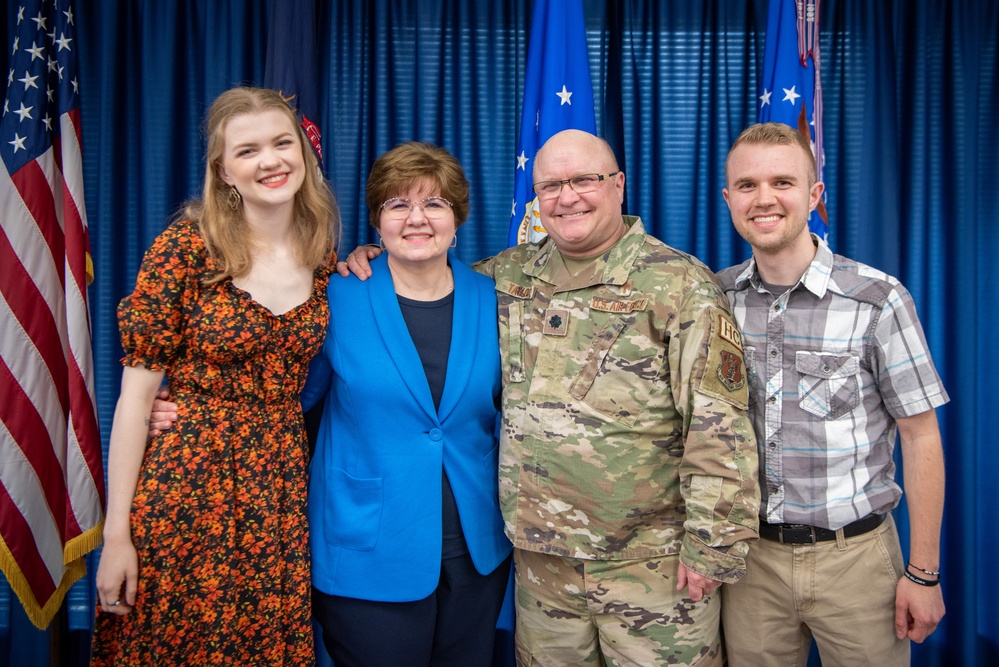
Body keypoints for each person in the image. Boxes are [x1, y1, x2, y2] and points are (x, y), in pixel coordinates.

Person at [344, 129, 760, 666]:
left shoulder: (679, 286)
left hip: (649, 564)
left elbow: (718, 424)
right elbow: (423, 277)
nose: (568, 197)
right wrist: (372, 258)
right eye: (550, 186)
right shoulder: (508, 275)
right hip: (542, 567)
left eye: (584, 180)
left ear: (619, 185)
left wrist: (713, 546)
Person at [149, 141, 512, 666]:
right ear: (377, 221)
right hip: (366, 551)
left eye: (434, 204)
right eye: (398, 205)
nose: (417, 219)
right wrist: (186, 408)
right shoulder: (334, 296)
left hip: (476, 554)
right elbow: (277, 395)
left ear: (458, 217)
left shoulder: (496, 297)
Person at [91, 86, 340, 665]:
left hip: (277, 481)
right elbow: (135, 401)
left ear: (304, 153)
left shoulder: (322, 252)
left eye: (282, 143)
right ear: (224, 170)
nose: (270, 161)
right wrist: (116, 535)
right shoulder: (184, 249)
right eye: (248, 151)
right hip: (187, 479)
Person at [716, 122, 947, 666]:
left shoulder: (877, 299)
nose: (764, 198)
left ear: (815, 195)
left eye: (783, 182)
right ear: (728, 199)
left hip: (858, 562)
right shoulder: (714, 298)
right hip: (750, 565)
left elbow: (920, 436)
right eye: (747, 186)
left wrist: (924, 572)